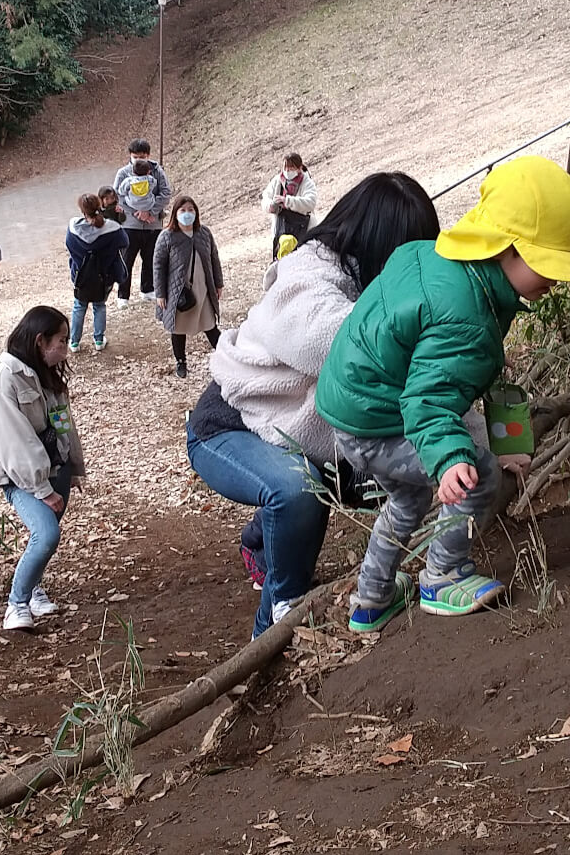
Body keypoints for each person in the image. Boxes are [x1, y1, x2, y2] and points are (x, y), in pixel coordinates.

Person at [315, 156, 570, 630]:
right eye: (546, 263)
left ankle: (372, 598)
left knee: (406, 500)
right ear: (504, 249)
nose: (556, 278)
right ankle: (442, 576)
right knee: (476, 474)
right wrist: (449, 459)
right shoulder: (464, 313)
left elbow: (451, 375)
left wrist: (503, 441)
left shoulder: (442, 261)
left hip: (353, 409)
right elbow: (426, 399)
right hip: (380, 420)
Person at [188, 172, 442, 637]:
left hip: (289, 427)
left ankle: (261, 545)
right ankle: (275, 623)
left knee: (325, 485)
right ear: (380, 244)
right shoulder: (306, 278)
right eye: (408, 254)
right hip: (230, 423)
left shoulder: (369, 283)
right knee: (298, 490)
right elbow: (337, 342)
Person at [0, 306, 83, 631]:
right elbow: (15, 443)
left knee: (45, 536)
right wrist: (42, 488)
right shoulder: (4, 381)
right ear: (40, 341)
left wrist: (73, 466)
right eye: (61, 341)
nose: (65, 348)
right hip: (20, 475)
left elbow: (64, 424)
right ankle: (17, 603)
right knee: (47, 534)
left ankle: (35, 590)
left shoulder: (45, 373)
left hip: (56, 467)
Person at [153, 195, 223, 378]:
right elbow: (158, 265)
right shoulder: (167, 236)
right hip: (179, 291)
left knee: (210, 324)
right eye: (182, 210)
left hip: (203, 287)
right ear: (175, 214)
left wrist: (218, 283)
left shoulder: (204, 233)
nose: (187, 214)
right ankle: (181, 362)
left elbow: (214, 258)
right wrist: (160, 293)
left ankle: (227, 355)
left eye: (190, 210)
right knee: (178, 328)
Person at [65, 193, 129, 351]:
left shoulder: (73, 226)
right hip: (105, 275)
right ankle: (99, 341)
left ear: (82, 210)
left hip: (81, 276)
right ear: (99, 205)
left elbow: (69, 246)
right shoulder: (112, 228)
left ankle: (74, 342)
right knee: (99, 305)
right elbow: (125, 242)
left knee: (79, 306)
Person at [113, 140, 171, 304]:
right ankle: (123, 295)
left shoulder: (157, 171)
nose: (138, 159)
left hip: (153, 223)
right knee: (126, 259)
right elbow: (117, 196)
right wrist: (137, 213)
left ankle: (148, 289)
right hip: (130, 224)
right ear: (130, 156)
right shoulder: (123, 173)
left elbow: (166, 193)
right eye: (135, 156)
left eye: (142, 156)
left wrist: (150, 211)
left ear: (148, 155)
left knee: (151, 257)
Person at [261, 152, 319, 261]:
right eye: (285, 168)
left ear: (299, 168)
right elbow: (265, 198)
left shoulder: (307, 182)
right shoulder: (277, 181)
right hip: (281, 228)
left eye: (291, 168)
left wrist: (287, 201)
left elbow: (310, 202)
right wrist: (271, 206)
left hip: (302, 229)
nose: (287, 172)